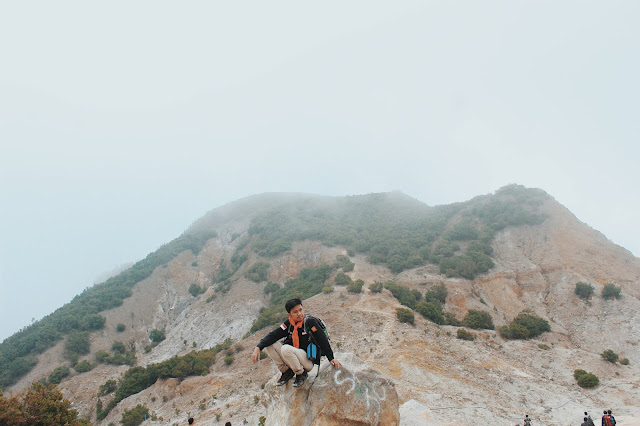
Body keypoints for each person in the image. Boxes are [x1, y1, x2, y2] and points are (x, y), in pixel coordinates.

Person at [251, 298, 341, 387]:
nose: (299, 314)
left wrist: (331, 358)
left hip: (308, 362)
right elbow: (274, 335)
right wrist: (258, 347)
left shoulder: (310, 322)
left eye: (300, 310)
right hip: (294, 358)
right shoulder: (289, 324)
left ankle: (301, 373)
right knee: (269, 345)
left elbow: (323, 340)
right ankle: (286, 372)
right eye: (295, 312)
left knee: (285, 349)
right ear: (289, 314)